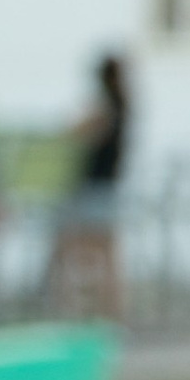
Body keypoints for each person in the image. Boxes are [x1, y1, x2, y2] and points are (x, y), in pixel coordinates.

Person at [48, 49, 132, 320]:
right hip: (107, 186)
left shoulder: (107, 108)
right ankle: (109, 314)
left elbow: (76, 132)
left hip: (95, 188)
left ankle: (78, 312)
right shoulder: (123, 105)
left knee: (71, 248)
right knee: (105, 256)